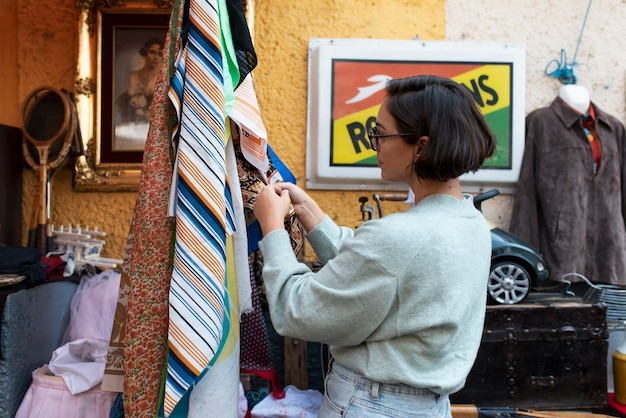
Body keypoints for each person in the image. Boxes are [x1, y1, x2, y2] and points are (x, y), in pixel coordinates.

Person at [253, 74, 496, 417]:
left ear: (421, 146)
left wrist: (272, 227)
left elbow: (297, 310)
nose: (375, 144)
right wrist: (309, 213)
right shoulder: (471, 224)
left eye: (381, 133)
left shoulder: (398, 236)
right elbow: (381, 275)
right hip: (425, 407)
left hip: (370, 404)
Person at [116, 37, 164, 124]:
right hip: (133, 122)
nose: (155, 57)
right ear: (145, 52)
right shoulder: (132, 76)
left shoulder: (163, 79)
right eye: (152, 52)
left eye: (160, 54)